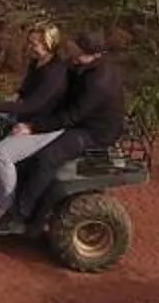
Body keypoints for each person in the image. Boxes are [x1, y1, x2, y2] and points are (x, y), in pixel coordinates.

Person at [7, 30, 128, 230]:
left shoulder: (98, 83)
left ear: (93, 54)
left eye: (78, 48)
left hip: (94, 131)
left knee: (46, 157)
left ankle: (22, 212)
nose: (72, 49)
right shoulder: (82, 65)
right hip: (83, 119)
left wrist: (33, 127)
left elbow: (71, 117)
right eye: (75, 45)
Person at [0, 23, 71, 219]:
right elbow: (23, 94)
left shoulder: (55, 72)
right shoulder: (36, 63)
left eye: (34, 43)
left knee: (2, 153)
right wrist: (1, 104)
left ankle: (9, 207)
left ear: (49, 45)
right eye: (30, 42)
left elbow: (33, 104)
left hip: (47, 125)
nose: (30, 47)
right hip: (29, 118)